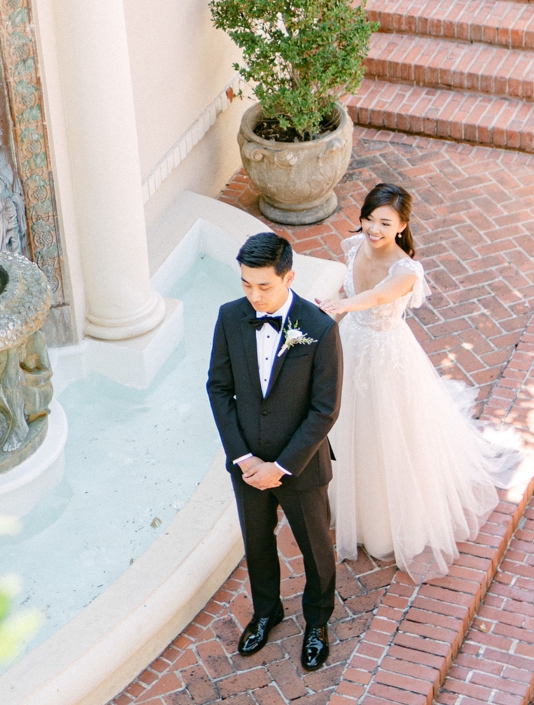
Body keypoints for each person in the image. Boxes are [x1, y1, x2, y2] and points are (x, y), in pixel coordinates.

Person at [322, 183, 518, 582]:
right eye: (369, 219)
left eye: (384, 223)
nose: (373, 229)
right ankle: (345, 503)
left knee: (388, 430)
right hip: (351, 344)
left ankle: (382, 519)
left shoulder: (407, 271)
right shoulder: (351, 246)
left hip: (386, 357)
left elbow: (377, 297)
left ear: (401, 226)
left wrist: (342, 305)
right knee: (344, 422)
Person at [206, 230, 343, 670]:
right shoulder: (230, 317)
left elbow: (325, 410)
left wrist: (281, 467)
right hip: (246, 465)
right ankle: (267, 611)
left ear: (289, 277)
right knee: (258, 544)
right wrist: (244, 458)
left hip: (299, 467)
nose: (254, 295)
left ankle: (317, 623)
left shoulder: (319, 329)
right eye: (246, 283)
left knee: (315, 549)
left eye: (264, 285)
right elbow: (219, 387)